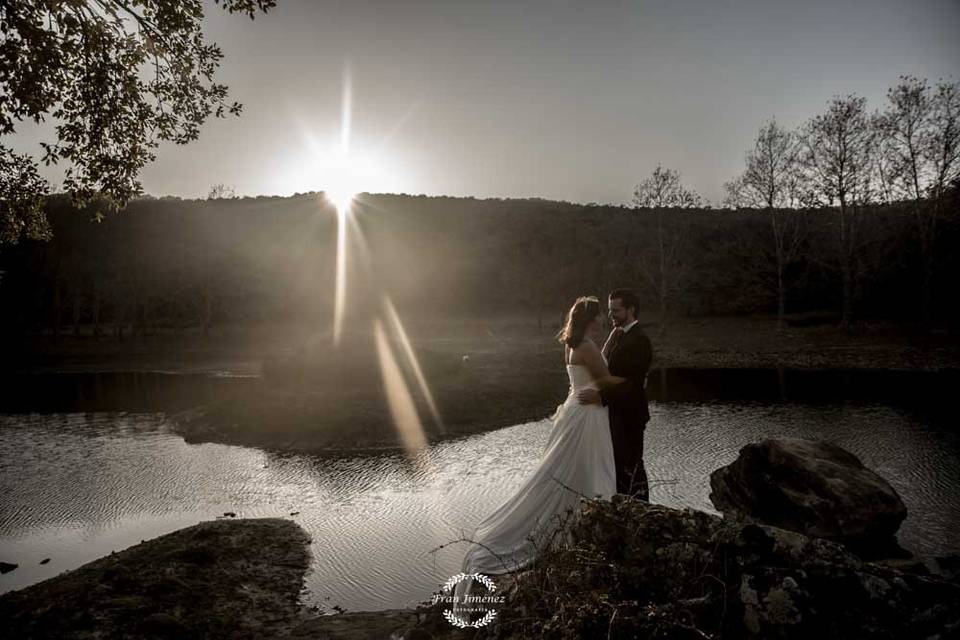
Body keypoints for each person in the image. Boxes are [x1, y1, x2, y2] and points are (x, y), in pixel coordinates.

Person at [452, 296, 623, 612]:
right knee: (587, 469)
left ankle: (578, 524)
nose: (602, 320)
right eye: (599, 316)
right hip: (587, 415)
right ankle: (582, 529)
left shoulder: (573, 344)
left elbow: (586, 379)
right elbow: (607, 381)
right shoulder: (587, 347)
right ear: (590, 319)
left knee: (569, 471)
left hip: (576, 409)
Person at [577, 288, 653, 500]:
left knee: (631, 466)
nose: (610, 315)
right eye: (609, 310)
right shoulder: (617, 335)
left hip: (629, 415)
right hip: (613, 413)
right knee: (617, 466)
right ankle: (623, 510)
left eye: (616, 310)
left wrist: (601, 398)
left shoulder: (639, 339)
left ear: (631, 310)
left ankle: (640, 511)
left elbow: (632, 382)